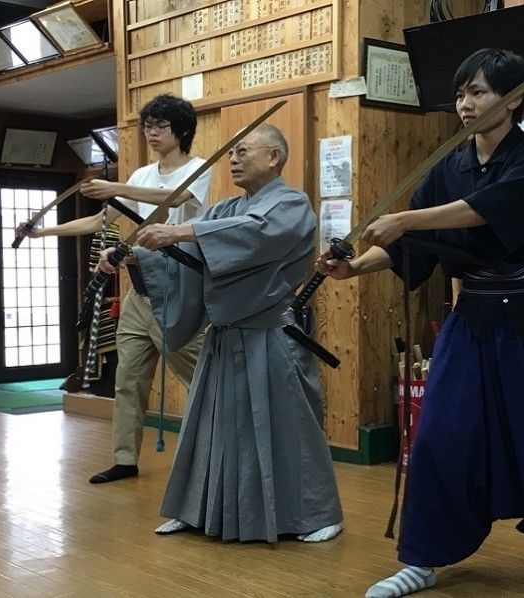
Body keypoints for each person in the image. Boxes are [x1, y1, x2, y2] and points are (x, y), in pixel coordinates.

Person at [317, 49, 524, 596]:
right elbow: (417, 247)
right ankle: (422, 558)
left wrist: (402, 218)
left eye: (478, 92)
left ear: (515, 96)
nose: (466, 103)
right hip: (472, 316)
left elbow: (488, 208)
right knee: (437, 436)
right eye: (460, 93)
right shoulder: (447, 166)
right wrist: (356, 265)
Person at [99, 124, 344, 543]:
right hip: (225, 336)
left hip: (273, 335)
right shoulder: (223, 210)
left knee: (289, 425)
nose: (233, 159)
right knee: (211, 425)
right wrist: (134, 257)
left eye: (243, 151)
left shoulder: (291, 204)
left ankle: (318, 514)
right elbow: (187, 256)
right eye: (231, 152)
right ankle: (197, 510)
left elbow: (256, 233)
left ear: (274, 157)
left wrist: (179, 231)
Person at [16, 94, 211, 484]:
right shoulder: (139, 175)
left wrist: (115, 187)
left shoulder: (197, 168)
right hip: (139, 288)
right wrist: (43, 232)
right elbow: (101, 219)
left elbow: (174, 198)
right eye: (148, 126)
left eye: (161, 126)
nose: (152, 133)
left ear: (182, 130)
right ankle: (124, 459)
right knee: (128, 380)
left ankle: (210, 455)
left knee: (200, 377)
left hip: (179, 289)